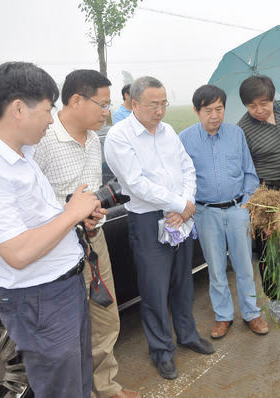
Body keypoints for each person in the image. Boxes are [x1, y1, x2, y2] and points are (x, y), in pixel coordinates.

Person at [0, 62, 105, 397]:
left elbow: (38, 220)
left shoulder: (22, 153)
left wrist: (73, 216)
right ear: (17, 109)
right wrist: (71, 214)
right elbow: (18, 252)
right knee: (62, 388)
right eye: (47, 109)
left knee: (77, 381)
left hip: (61, 288)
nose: (51, 118)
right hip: (40, 299)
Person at [34, 69, 138, 398]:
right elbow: (30, 205)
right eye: (103, 104)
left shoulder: (93, 139)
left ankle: (106, 387)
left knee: (105, 318)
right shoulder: (42, 141)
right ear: (76, 100)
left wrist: (92, 213)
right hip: (56, 250)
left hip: (94, 241)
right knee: (69, 329)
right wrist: (71, 215)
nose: (108, 111)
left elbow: (89, 193)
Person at [104, 76, 214, 381]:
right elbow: (135, 183)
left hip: (181, 216)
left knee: (184, 281)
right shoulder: (119, 136)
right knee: (154, 290)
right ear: (134, 103)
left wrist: (187, 202)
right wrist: (178, 204)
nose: (161, 110)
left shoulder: (168, 132)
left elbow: (187, 167)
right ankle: (162, 351)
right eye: (154, 104)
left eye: (164, 103)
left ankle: (188, 335)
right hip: (148, 220)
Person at [179, 85, 268, 339]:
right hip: (206, 213)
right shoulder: (185, 139)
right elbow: (181, 178)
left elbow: (249, 171)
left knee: (244, 266)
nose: (215, 115)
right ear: (197, 111)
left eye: (219, 109)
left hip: (237, 209)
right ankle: (223, 316)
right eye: (208, 110)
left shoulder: (236, 134)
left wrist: (247, 203)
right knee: (216, 268)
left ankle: (252, 313)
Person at [237, 75, 280, 322]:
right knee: (269, 246)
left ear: (273, 98)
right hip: (267, 194)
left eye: (264, 103)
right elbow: (245, 167)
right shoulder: (244, 128)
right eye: (252, 106)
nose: (259, 110)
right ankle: (277, 298)